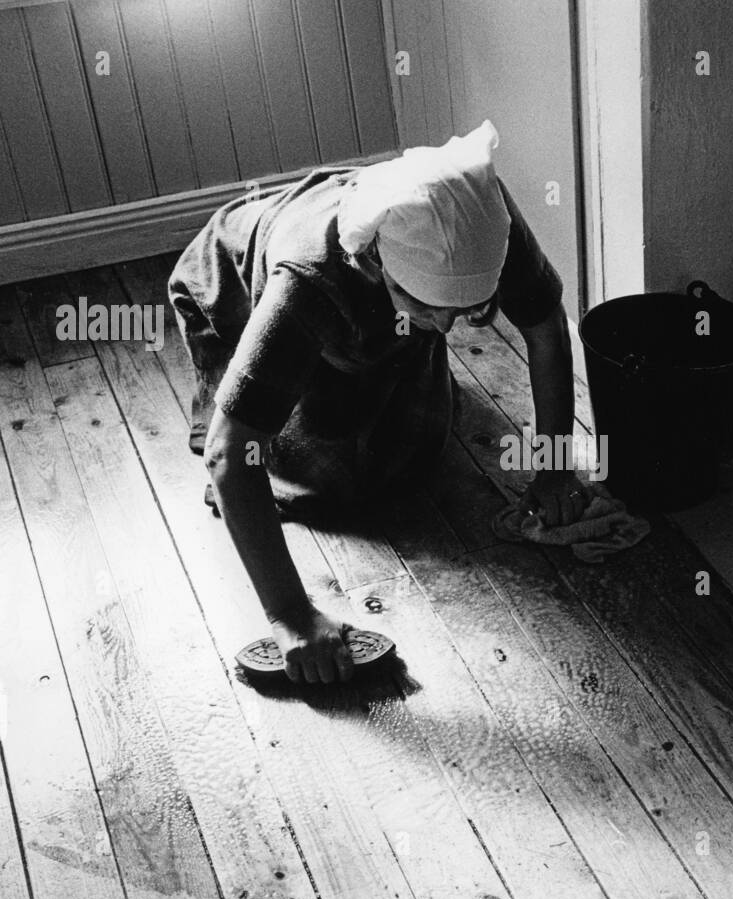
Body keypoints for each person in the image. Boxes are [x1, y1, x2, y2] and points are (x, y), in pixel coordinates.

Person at [167, 121, 586, 685]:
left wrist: (556, 469)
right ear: (374, 263)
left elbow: (544, 327)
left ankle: (373, 353)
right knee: (319, 487)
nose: (446, 326)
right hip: (231, 292)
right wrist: (292, 617)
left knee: (416, 451)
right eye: (429, 303)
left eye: (464, 311)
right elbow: (228, 450)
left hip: (366, 311)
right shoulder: (307, 282)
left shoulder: (479, 219)